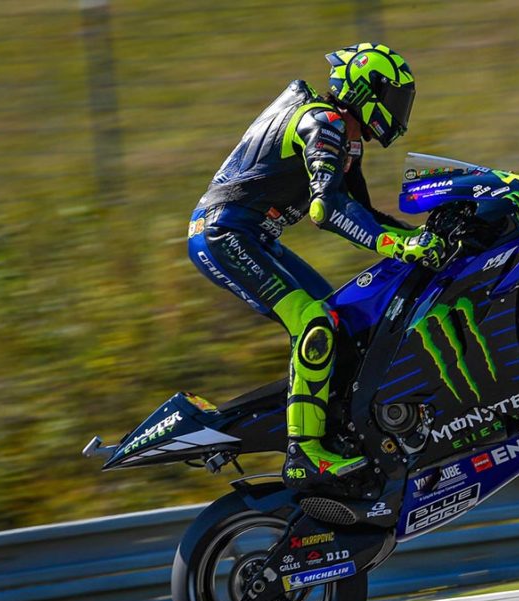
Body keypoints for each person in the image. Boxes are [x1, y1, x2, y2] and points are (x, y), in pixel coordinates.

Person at [187, 43, 445, 498]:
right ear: (365, 90)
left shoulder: (345, 137)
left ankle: (334, 430)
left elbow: (363, 213)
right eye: (393, 98)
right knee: (314, 322)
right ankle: (304, 452)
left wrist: (425, 237)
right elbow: (326, 210)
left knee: (343, 322)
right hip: (222, 234)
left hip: (253, 236)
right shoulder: (322, 122)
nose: (399, 111)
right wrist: (401, 245)